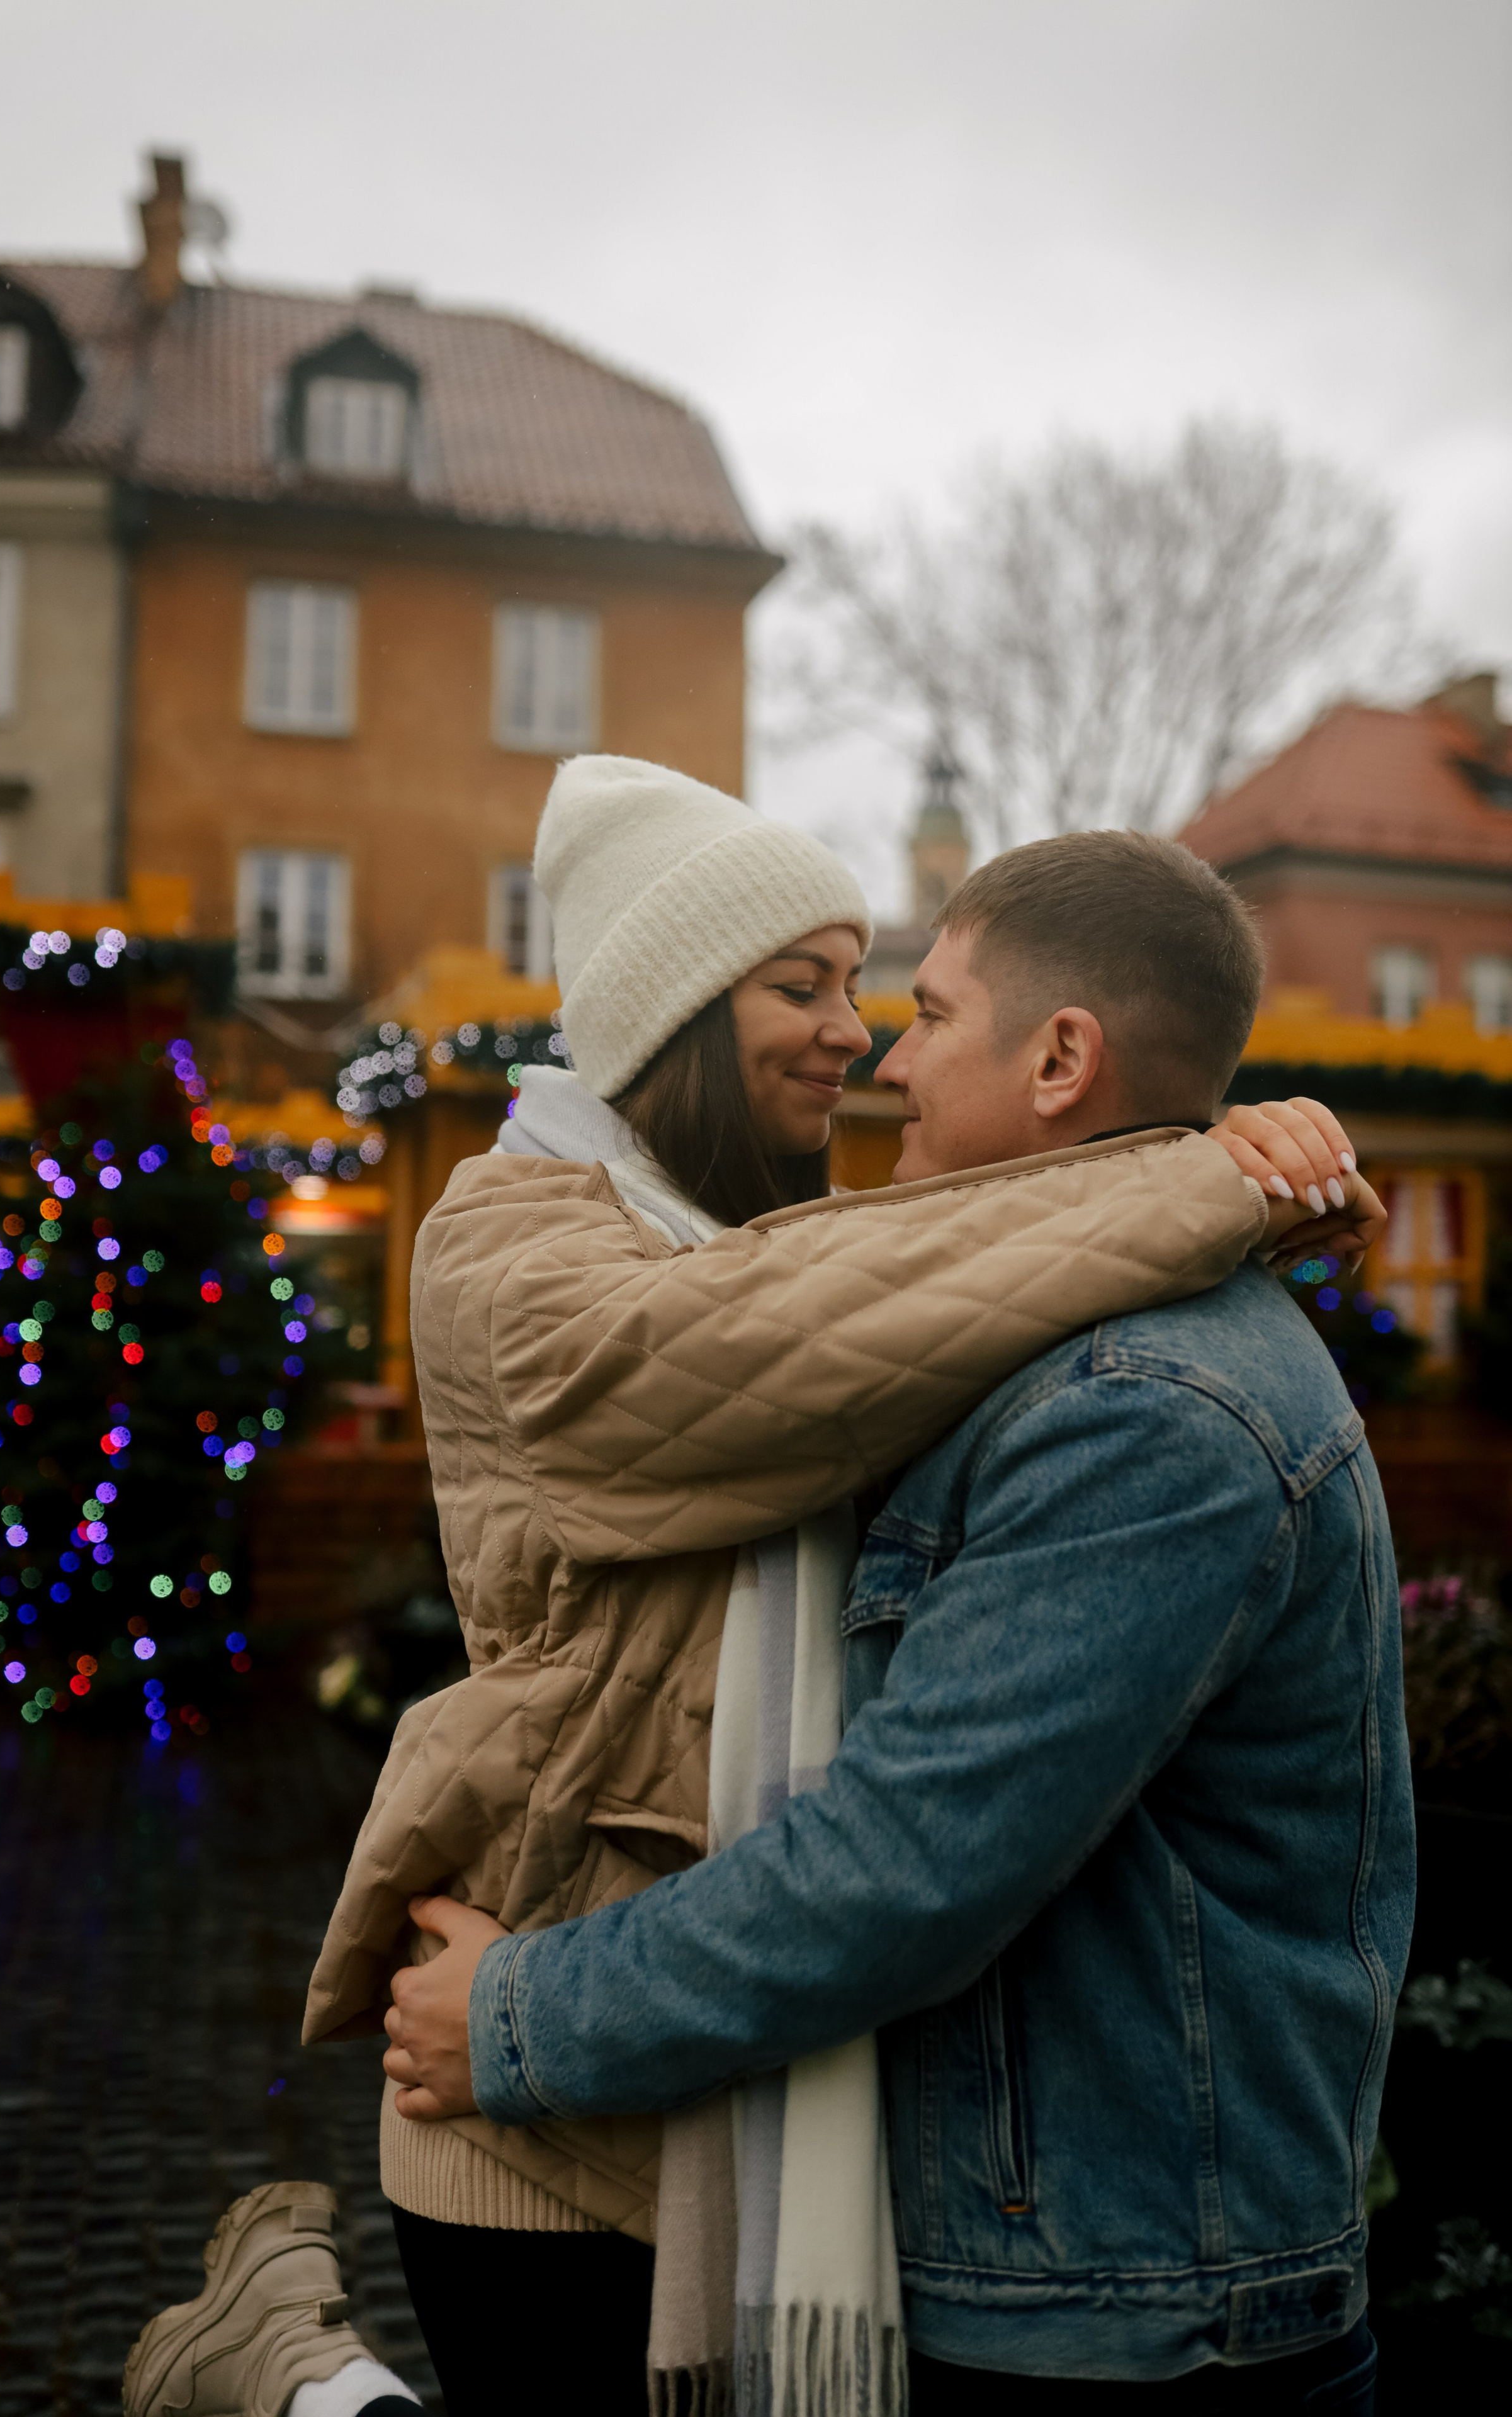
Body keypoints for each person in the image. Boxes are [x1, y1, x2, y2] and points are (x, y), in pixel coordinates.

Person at [122, 763, 1378, 2417]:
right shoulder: (538, 1250)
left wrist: (1209, 1173)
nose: (872, 1043)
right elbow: (800, 1334)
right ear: (679, 1013)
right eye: (814, 987)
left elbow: (905, 1846)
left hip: (701, 2065)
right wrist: (1201, 1178)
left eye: (897, 999)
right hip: (559, 2053)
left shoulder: (1062, 1363)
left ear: (1061, 1055)